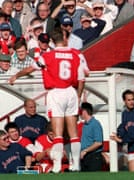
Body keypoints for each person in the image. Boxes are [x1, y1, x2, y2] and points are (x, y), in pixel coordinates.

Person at [9, 28, 87, 173]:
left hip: (56, 92)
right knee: (73, 133)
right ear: (64, 39)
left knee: (57, 133)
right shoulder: (76, 54)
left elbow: (30, 69)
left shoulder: (48, 55)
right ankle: (76, 165)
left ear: (51, 41)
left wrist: (16, 76)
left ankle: (56, 165)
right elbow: (82, 77)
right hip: (71, 91)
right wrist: (79, 95)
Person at [110, 89, 134, 172]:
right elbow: (124, 127)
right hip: (131, 149)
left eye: (132, 99)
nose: (131, 102)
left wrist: (121, 140)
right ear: (124, 101)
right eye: (129, 100)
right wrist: (118, 133)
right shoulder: (125, 113)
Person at [80, 102, 104, 172]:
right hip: (85, 157)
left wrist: (85, 150)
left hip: (94, 157)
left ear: (84, 111)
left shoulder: (95, 124)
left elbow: (98, 142)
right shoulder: (84, 125)